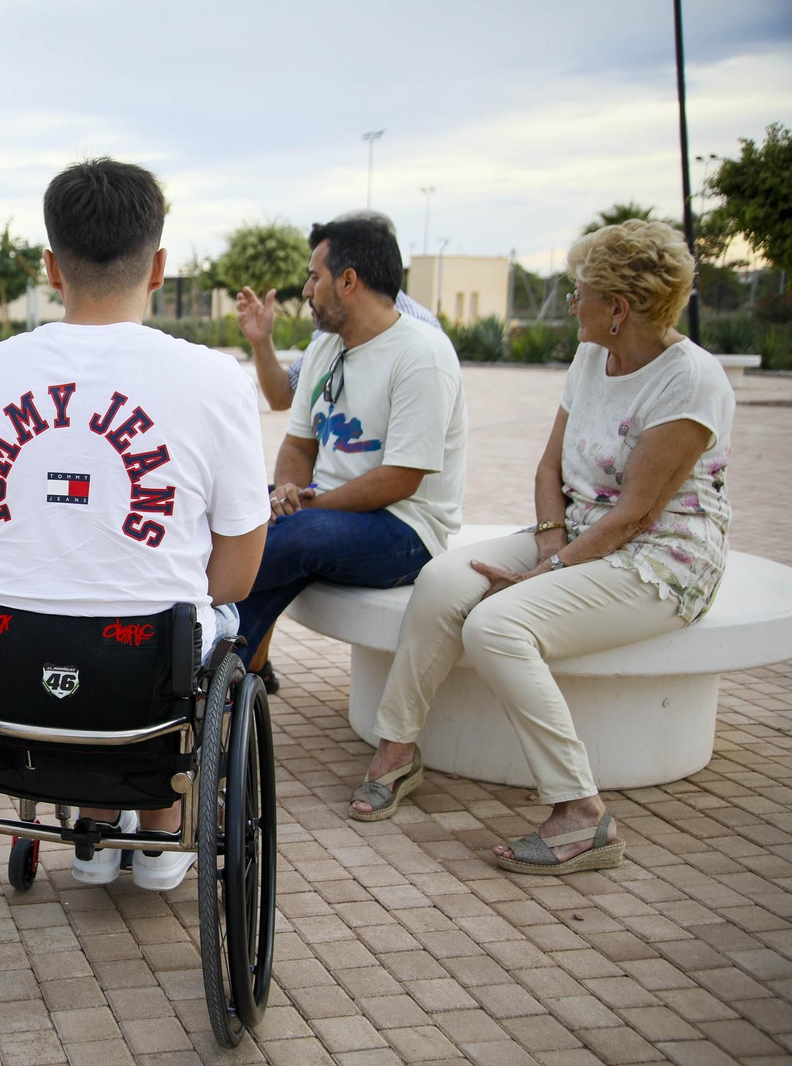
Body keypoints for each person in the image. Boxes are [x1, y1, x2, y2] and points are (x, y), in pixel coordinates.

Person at [352, 220, 732, 876]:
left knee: (497, 626)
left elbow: (637, 514)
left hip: (661, 557)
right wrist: (551, 540)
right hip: (580, 530)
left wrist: (546, 572)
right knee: (442, 582)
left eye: (580, 293)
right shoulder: (592, 357)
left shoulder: (691, 380)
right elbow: (548, 467)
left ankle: (581, 812)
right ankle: (397, 750)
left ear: (619, 308)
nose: (571, 303)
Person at [0, 158, 270, 891]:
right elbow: (239, 571)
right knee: (202, 621)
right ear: (158, 267)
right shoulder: (217, 380)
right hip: (146, 663)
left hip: (6, 658)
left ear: (51, 267)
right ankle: (159, 833)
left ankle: (91, 826)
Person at [232, 218, 468, 693]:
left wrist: (307, 506)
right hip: (328, 510)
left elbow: (400, 479)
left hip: (406, 529)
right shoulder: (326, 349)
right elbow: (298, 444)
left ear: (348, 280)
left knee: (294, 534)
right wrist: (287, 491)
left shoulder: (422, 354)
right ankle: (224, 676)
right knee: (236, 509)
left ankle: (205, 651)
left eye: (313, 277)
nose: (306, 290)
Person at [239, 209, 443, 412]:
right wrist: (261, 341)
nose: (307, 291)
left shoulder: (422, 338)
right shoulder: (331, 332)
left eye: (316, 277)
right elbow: (283, 396)